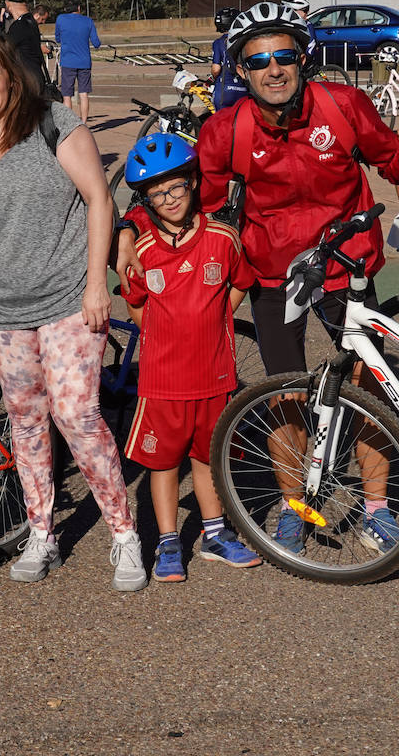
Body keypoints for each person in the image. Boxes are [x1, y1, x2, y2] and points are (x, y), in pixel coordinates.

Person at [116, 2, 399, 553]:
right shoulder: (226, 129)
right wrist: (132, 225)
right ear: (241, 71)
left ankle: (378, 506)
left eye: (283, 55)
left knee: (365, 386)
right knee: (285, 392)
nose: (273, 69)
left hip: (346, 264)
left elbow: (397, 163)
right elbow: (190, 197)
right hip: (272, 270)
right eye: (258, 59)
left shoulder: (343, 105)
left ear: (302, 58)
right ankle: (295, 505)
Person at [0, 28, 145, 592]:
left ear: (11, 73)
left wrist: (95, 284)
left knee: (77, 415)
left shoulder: (52, 122)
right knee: (26, 422)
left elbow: (100, 199)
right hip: (0, 307)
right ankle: (41, 533)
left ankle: (125, 536)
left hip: (66, 298)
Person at [120, 133, 262, 583]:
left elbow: (240, 283)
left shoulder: (223, 238)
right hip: (162, 382)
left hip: (215, 377)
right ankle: (166, 541)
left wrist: (218, 316)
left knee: (208, 459)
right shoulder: (140, 253)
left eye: (177, 186)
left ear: (195, 182)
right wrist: (165, 337)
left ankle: (215, 534)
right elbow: (137, 308)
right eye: (157, 193)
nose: (169, 198)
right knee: (163, 465)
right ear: (145, 202)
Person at [54, 0, 101, 121]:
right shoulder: (88, 21)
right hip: (84, 62)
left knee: (67, 95)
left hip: (67, 61)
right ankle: (84, 122)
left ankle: (69, 124)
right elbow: (96, 43)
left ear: (66, 9)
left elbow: (57, 38)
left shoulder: (61, 19)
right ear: (79, 8)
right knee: (83, 94)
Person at [2, 0, 48, 89]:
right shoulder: (31, 21)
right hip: (36, 77)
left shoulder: (19, 26)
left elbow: (4, 52)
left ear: (7, 3)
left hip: (27, 81)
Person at [208, 7, 246, 110]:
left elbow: (216, 69)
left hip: (225, 90)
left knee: (223, 123)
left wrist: (212, 79)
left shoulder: (219, 42)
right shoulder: (244, 41)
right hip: (244, 91)